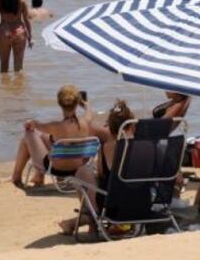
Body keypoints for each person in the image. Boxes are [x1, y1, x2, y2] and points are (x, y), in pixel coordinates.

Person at [61, 100, 135, 235]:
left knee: (82, 172)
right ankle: (82, 222)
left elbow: (102, 175)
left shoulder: (106, 148)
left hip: (114, 207)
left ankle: (90, 219)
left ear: (109, 129)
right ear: (131, 126)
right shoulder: (145, 146)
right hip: (142, 203)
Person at [10, 84, 107, 188]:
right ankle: (37, 176)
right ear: (76, 103)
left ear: (59, 103)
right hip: (78, 167)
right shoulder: (86, 122)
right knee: (44, 137)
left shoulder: (55, 126)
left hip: (56, 168)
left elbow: (35, 126)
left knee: (29, 134)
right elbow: (89, 113)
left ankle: (17, 177)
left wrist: (30, 122)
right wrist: (86, 104)